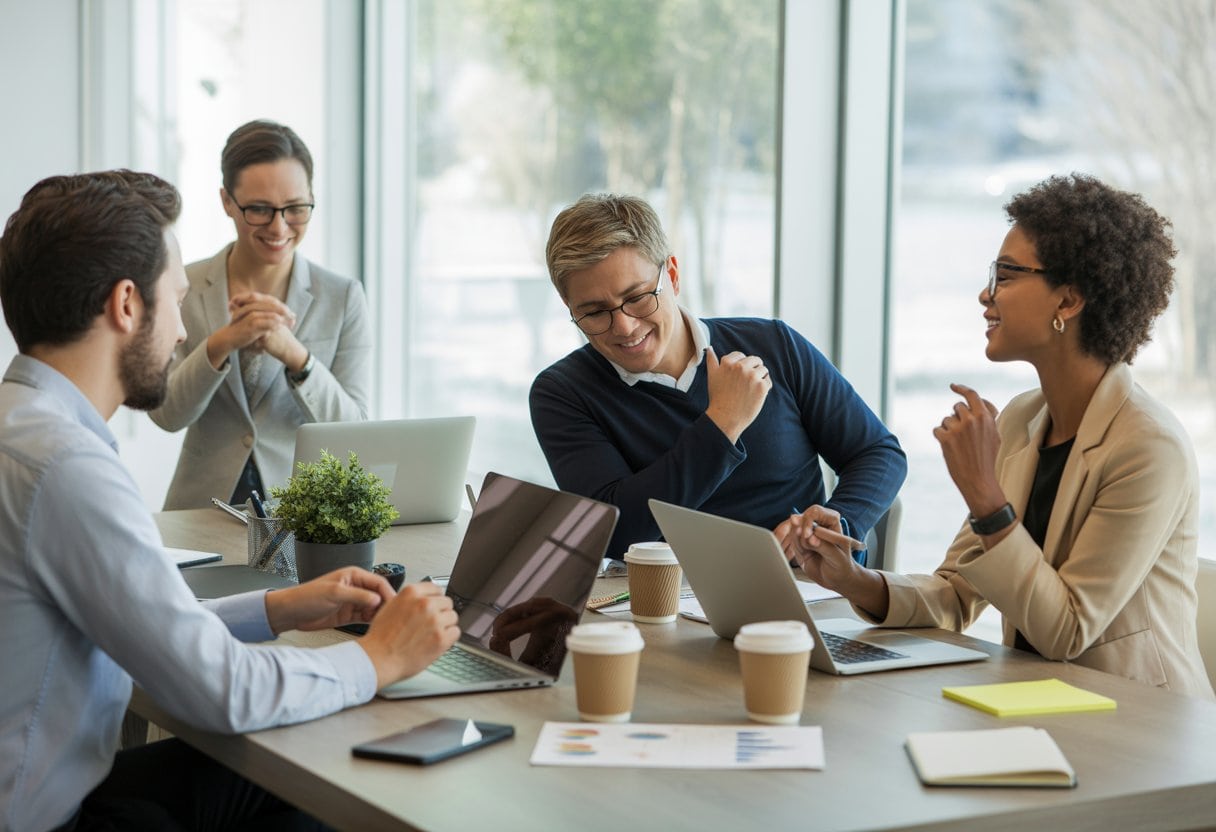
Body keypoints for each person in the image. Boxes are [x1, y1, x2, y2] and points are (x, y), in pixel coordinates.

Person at [0, 170, 461, 832]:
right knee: (328, 793)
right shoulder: (66, 466)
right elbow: (222, 691)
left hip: (50, 791)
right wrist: (377, 657)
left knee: (292, 781)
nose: (184, 333)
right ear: (127, 304)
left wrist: (277, 609)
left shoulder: (24, 425)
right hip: (46, 819)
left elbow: (145, 622)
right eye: (176, 301)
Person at [786, 174, 1214, 698]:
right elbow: (956, 595)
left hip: (1141, 724)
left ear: (1069, 301)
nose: (986, 293)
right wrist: (854, 579)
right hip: (1043, 699)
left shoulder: (1150, 448)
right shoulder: (1020, 420)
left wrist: (986, 497)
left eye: (1006, 275)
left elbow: (1066, 631)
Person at [529, 193, 907, 562]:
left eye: (638, 297)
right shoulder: (562, 393)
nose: (625, 326)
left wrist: (835, 524)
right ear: (569, 307)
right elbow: (616, 532)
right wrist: (723, 422)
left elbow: (878, 453)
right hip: (665, 607)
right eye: (594, 312)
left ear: (672, 276)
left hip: (803, 588)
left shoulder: (774, 344)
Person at [150, 120, 371, 509]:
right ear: (226, 201)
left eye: (296, 209)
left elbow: (354, 430)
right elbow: (166, 414)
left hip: (303, 518)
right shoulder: (182, 284)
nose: (279, 226)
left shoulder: (343, 296)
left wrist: (297, 358)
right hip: (199, 509)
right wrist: (221, 343)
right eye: (259, 209)